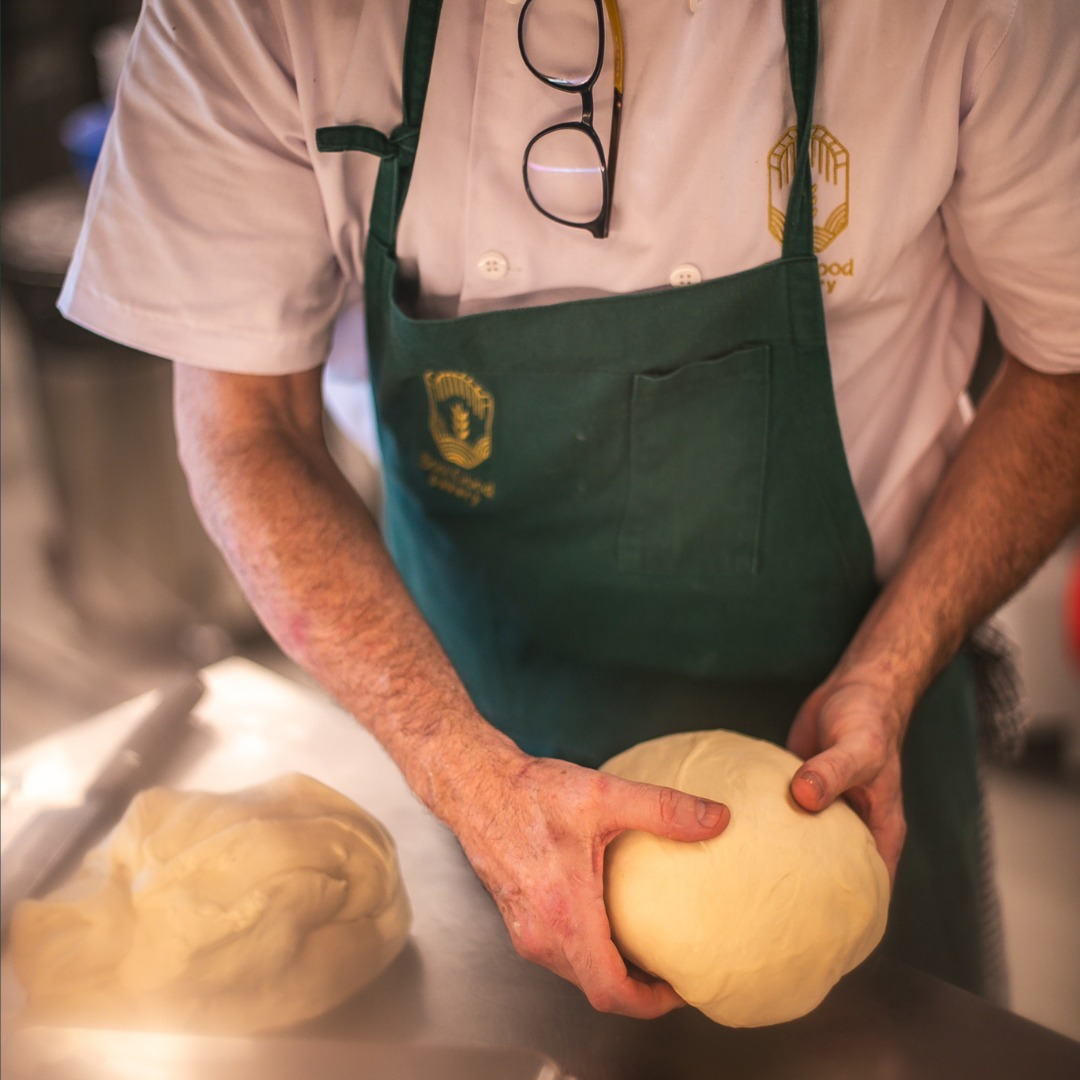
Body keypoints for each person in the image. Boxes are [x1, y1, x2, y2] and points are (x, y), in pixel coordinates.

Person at [59, 0, 1080, 1019]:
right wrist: (464, 775)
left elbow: (1066, 359)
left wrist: (890, 670)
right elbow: (246, 426)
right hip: (455, 710)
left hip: (855, 733)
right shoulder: (259, 15)